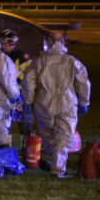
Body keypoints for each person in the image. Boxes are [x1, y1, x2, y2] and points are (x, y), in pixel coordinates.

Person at [22, 32, 91, 178]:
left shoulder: (39, 61)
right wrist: (84, 102)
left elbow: (28, 83)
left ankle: (50, 161)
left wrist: (27, 102)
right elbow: (83, 83)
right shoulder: (71, 61)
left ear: (48, 43)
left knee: (47, 134)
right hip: (66, 102)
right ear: (64, 43)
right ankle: (58, 169)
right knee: (63, 136)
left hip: (44, 102)